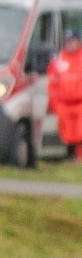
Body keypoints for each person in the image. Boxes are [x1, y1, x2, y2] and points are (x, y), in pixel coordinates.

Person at [48, 29, 82, 161]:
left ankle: (78, 157)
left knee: (80, 131)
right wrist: (55, 103)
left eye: (72, 41)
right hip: (64, 103)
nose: (70, 44)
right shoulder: (59, 59)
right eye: (67, 41)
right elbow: (53, 83)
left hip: (80, 103)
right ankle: (70, 156)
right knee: (67, 132)